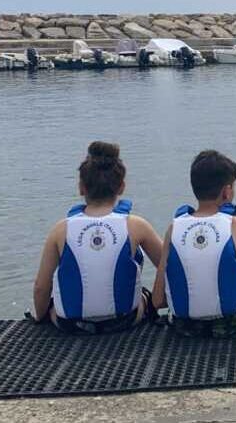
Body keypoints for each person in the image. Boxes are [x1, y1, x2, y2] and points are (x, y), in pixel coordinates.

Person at [32, 142, 163, 333]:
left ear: (81, 188)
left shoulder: (60, 230)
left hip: (71, 325)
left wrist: (41, 317)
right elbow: (168, 266)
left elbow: (40, 288)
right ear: (121, 187)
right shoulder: (136, 225)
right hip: (123, 321)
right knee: (143, 295)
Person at [152, 150, 236, 336]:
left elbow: (158, 300)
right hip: (233, 327)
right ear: (227, 191)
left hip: (185, 329)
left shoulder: (174, 228)